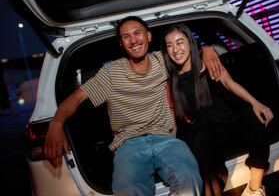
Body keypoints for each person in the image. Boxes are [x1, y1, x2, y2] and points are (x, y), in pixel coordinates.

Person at [44, 16, 224, 196]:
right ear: (122, 45)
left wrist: (206, 50)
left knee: (188, 178)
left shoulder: (163, 61)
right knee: (128, 190)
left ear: (148, 36)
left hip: (166, 139)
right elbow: (76, 98)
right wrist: (56, 123)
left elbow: (185, 56)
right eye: (126, 36)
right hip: (129, 144)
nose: (133, 40)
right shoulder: (110, 73)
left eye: (137, 33)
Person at [160, 24, 274, 196]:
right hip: (202, 130)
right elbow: (173, 119)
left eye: (179, 42)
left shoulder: (207, 62)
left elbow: (229, 83)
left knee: (254, 117)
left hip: (227, 120)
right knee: (206, 169)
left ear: (190, 43)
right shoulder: (171, 80)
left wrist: (255, 102)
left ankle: (254, 188)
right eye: (170, 45)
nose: (175, 49)